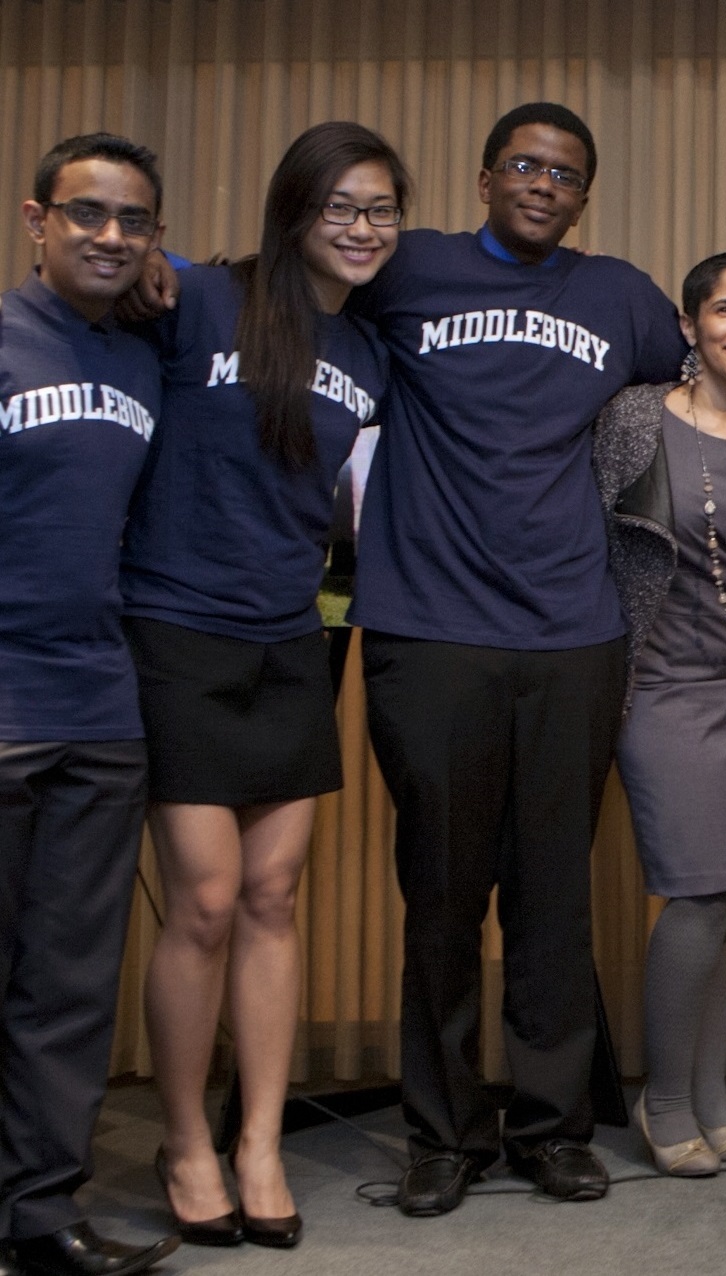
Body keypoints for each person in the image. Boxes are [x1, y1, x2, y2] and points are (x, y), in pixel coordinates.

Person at [321, 101, 688, 1216]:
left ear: (585, 195)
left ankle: (550, 1125)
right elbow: (296, 284)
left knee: (551, 896)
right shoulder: (408, 269)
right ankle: (442, 1134)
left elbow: (713, 381)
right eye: (525, 165)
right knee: (440, 893)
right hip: (429, 630)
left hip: (574, 634)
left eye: (566, 173)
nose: (544, 183)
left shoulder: (618, 295)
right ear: (484, 178)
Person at [122, 121, 405, 1251]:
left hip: (291, 637)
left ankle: (259, 1141)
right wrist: (145, 259)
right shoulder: (195, 300)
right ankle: (185, 1138)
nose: (361, 227)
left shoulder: (371, 354)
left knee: (273, 896)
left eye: (381, 208)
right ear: (294, 210)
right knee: (200, 895)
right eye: (339, 205)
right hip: (175, 629)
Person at [0, 132, 178, 1276]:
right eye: (87, 214)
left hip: (103, 709)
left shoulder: (145, 357)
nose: (109, 236)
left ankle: (35, 1217)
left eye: (133, 221)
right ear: (36, 218)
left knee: (67, 986)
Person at [594, 253, 726, 1177]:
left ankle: (713, 1097)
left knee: (723, 896)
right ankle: (666, 1098)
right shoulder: (636, 417)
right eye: (725, 308)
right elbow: (586, 531)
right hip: (661, 688)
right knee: (693, 892)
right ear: (689, 326)